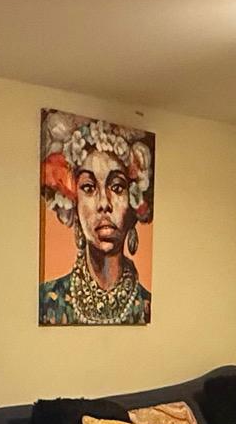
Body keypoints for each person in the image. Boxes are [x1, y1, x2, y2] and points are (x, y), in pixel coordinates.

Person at [40, 114, 153, 325]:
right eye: (89, 188)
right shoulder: (47, 301)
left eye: (117, 187)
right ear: (72, 200)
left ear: (135, 201)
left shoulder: (146, 304)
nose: (104, 203)